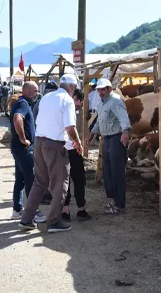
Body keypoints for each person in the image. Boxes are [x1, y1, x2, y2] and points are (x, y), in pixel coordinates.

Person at [19, 74, 82, 233]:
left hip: (39, 142)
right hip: (55, 144)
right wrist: (78, 142)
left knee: (40, 182)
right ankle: (54, 221)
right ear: (70, 87)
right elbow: (70, 128)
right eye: (74, 88)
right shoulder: (67, 100)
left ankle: (26, 219)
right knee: (61, 183)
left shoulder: (46, 97)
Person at [89, 78, 131, 214]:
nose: (100, 92)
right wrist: (93, 132)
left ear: (109, 89)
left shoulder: (116, 101)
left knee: (117, 171)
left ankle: (119, 204)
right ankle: (114, 200)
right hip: (107, 138)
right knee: (108, 171)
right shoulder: (102, 103)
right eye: (99, 90)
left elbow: (124, 117)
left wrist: (125, 131)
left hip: (116, 138)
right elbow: (100, 120)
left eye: (103, 89)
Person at [9, 81, 46, 223]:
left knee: (20, 178)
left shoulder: (22, 102)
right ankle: (32, 211)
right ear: (28, 91)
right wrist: (23, 138)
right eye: (35, 91)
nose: (37, 93)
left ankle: (17, 210)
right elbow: (17, 119)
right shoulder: (23, 103)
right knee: (31, 178)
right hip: (24, 148)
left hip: (18, 148)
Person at [62, 88, 91, 221]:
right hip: (71, 149)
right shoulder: (69, 111)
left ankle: (66, 210)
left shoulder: (60, 108)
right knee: (78, 179)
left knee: (65, 180)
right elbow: (71, 130)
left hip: (61, 149)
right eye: (78, 100)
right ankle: (80, 209)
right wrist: (78, 143)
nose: (79, 104)